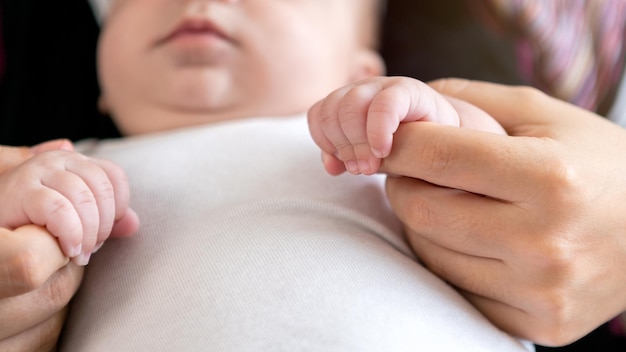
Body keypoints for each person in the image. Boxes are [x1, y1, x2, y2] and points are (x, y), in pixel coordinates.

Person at [56, 0, 532, 351]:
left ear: (357, 69)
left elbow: (508, 191)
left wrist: (435, 123)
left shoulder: (381, 143)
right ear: (101, 82)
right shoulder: (60, 167)